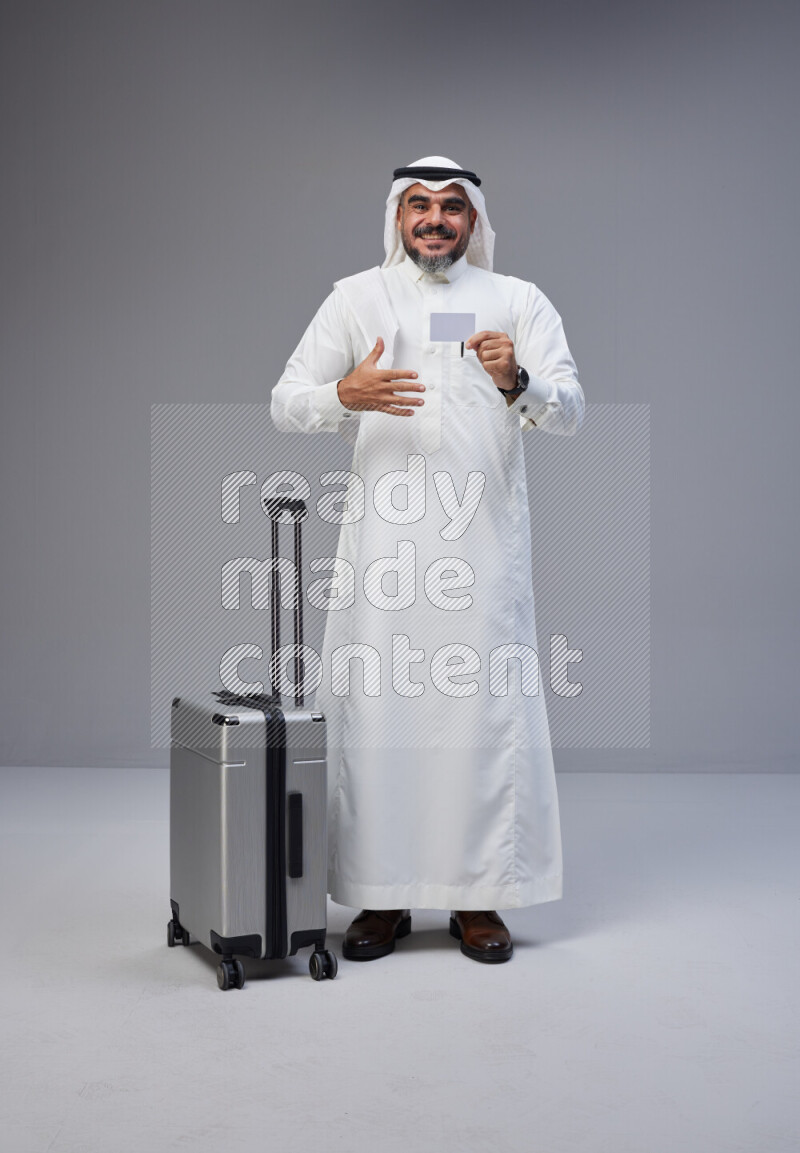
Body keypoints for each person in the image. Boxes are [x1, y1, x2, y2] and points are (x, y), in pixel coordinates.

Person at [271, 156, 584, 963]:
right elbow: (285, 400)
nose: (435, 219)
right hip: (384, 552)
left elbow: (571, 410)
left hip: (483, 550)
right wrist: (343, 395)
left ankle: (479, 898)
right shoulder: (357, 298)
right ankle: (382, 897)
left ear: (473, 219)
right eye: (419, 205)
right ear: (398, 216)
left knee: (482, 716)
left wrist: (516, 379)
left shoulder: (517, 300)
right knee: (380, 717)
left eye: (451, 206)